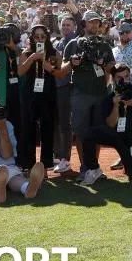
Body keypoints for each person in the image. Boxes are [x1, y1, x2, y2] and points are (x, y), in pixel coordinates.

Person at [78, 63, 132, 185]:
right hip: (117, 137)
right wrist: (115, 105)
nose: (124, 80)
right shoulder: (110, 97)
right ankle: (94, 169)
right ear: (113, 78)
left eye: (127, 76)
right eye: (120, 77)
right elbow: (110, 123)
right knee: (89, 133)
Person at [59, 11, 114, 176]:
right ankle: (85, 168)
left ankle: (95, 167)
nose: (94, 25)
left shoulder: (104, 44)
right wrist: (72, 63)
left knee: (97, 131)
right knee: (80, 131)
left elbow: (112, 68)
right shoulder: (74, 44)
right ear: (84, 24)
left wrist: (103, 64)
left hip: (99, 92)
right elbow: (61, 71)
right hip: (80, 93)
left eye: (97, 22)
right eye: (91, 22)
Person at [17, 25, 64, 172]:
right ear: (32, 37)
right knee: (28, 127)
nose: (39, 39)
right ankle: (28, 163)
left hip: (48, 92)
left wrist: (44, 62)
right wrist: (32, 58)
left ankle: (46, 163)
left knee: (47, 127)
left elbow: (59, 73)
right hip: (30, 93)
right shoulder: (26, 52)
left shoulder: (54, 53)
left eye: (42, 36)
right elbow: (20, 71)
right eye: (36, 36)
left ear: (47, 37)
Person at [52, 14, 79, 173]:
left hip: (68, 86)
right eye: (63, 25)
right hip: (55, 86)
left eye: (68, 25)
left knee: (65, 124)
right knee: (56, 122)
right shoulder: (57, 42)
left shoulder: (76, 40)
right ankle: (58, 155)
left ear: (74, 26)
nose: (65, 28)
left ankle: (65, 159)